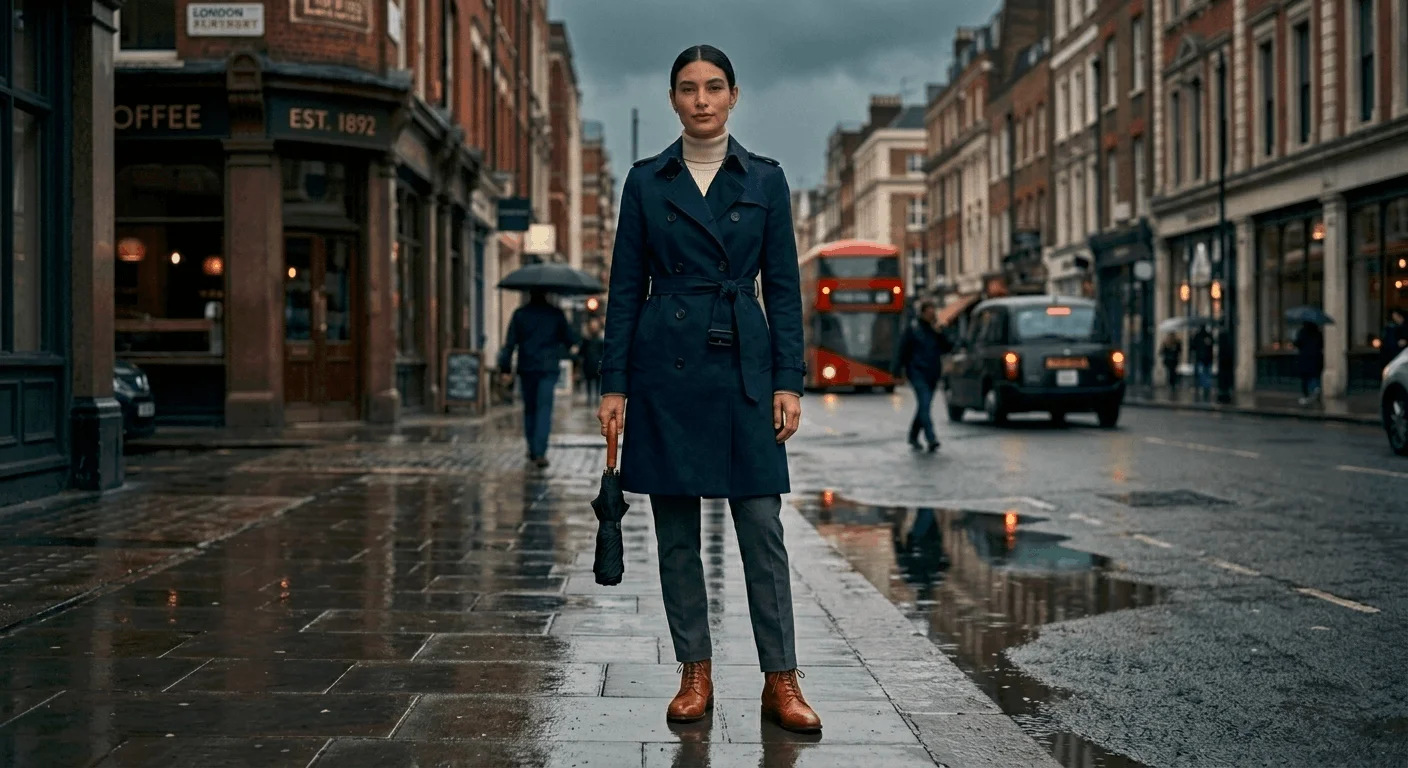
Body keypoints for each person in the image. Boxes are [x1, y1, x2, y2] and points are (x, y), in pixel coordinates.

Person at [595, 44, 820, 734]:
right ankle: (695, 672)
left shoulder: (766, 179)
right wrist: (614, 385)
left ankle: (781, 680)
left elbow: (783, 288)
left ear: (733, 95)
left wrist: (789, 379)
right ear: (674, 100)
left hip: (744, 365)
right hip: (666, 367)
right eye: (688, 88)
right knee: (676, 534)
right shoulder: (645, 181)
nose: (701, 99)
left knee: (762, 527)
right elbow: (625, 288)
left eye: (713, 87)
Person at [498, 289, 575, 468]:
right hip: (548, 367)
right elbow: (570, 339)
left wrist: (505, 367)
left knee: (530, 408)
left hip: (527, 367)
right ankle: (540, 451)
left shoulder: (520, 314)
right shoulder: (555, 314)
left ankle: (532, 447)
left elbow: (510, 343)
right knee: (544, 409)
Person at [896, 301, 952, 451]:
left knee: (923, 406)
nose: (931, 315)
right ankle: (931, 438)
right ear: (922, 313)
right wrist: (897, 371)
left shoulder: (936, 330)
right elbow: (902, 349)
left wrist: (941, 333)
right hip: (917, 372)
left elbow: (948, 347)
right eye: (929, 312)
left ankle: (913, 436)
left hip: (933, 373)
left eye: (933, 312)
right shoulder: (913, 329)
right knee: (925, 404)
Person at [1294, 320, 1324, 405]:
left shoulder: (1302, 332)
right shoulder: (1318, 333)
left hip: (1305, 358)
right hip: (1317, 357)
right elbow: (1322, 344)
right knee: (1315, 375)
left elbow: (1297, 343)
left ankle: (1307, 395)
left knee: (1305, 378)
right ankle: (1316, 389)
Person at [578, 317, 605, 402]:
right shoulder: (587, 339)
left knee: (596, 383)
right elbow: (582, 351)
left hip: (596, 364)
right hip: (589, 364)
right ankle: (591, 399)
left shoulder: (599, 339)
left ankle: (595, 399)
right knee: (589, 382)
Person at [1191, 325, 1215, 401]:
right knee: (1206, 375)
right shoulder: (1208, 336)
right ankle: (1205, 389)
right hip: (1206, 359)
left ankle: (1203, 389)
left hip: (1201, 359)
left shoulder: (1198, 336)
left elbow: (1193, 347)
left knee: (1202, 375)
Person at [1381, 309, 1407, 374]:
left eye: (1396, 316)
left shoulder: (1403, 327)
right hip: (1392, 354)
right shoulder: (1392, 327)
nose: (1394, 318)